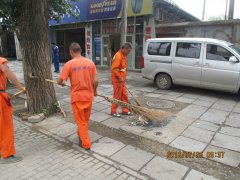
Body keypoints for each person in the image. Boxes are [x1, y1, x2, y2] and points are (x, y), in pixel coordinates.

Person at [57, 42, 98, 150]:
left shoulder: (69, 64)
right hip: (89, 96)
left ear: (71, 51)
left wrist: (60, 82)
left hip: (77, 97)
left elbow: (60, 80)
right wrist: (95, 91)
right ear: (80, 50)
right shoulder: (90, 63)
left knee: (81, 121)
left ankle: (86, 144)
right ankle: (80, 135)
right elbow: (96, 81)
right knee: (84, 120)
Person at [0, 53, 26, 163]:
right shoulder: (1, 61)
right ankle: (7, 155)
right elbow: (5, 70)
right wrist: (20, 87)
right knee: (5, 126)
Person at [111, 42, 132, 117]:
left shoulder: (124, 55)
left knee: (124, 95)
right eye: (128, 51)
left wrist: (122, 77)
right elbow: (114, 69)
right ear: (124, 49)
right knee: (117, 96)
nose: (129, 53)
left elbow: (122, 68)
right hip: (117, 80)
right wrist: (119, 77)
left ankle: (125, 110)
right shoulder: (118, 56)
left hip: (122, 79)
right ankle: (113, 111)